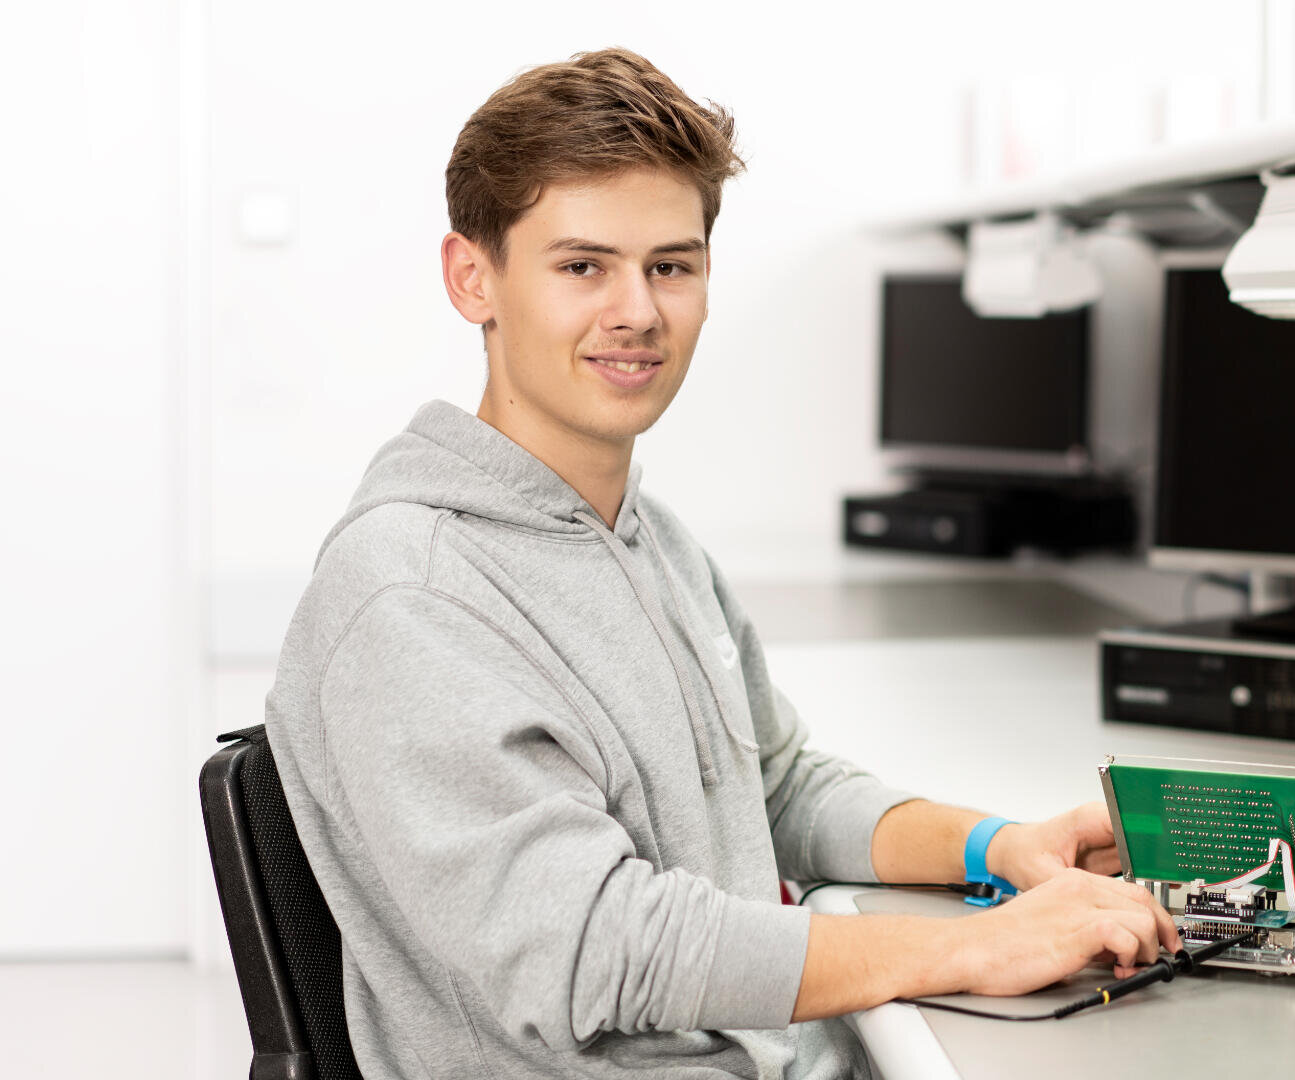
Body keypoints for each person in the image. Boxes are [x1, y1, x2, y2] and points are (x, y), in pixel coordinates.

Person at [266, 46, 1179, 1079]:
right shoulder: (413, 596)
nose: (638, 312)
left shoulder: (643, 536)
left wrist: (1002, 848)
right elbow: (596, 950)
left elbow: (775, 787)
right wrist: (975, 945)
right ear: (472, 277)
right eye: (582, 266)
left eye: (671, 264)